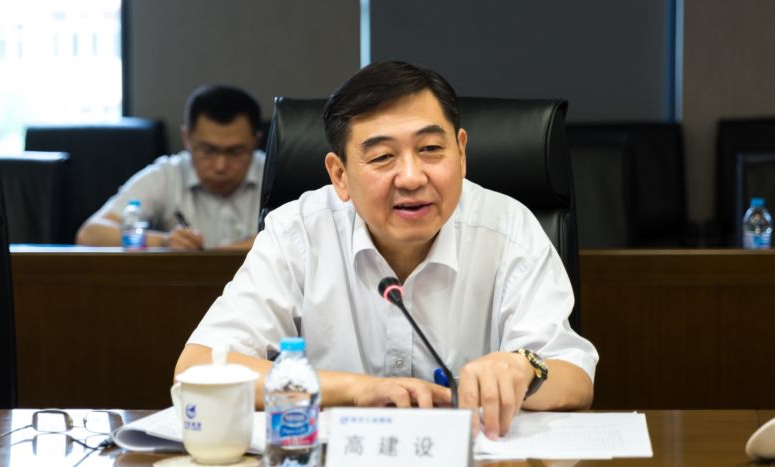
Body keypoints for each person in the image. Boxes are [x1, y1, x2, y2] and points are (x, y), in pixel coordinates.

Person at [176, 61, 598, 439]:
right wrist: (357, 389)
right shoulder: (297, 232)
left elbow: (575, 379)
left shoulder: (508, 228)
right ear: (339, 175)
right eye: (382, 157)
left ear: (461, 152)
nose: (412, 177)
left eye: (431, 149)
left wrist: (523, 369)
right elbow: (198, 366)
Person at [75, 85, 265, 250]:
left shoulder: (275, 175)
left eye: (236, 152)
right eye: (208, 150)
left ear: (256, 141)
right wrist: (164, 241)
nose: (220, 166)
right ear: (187, 138)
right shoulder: (166, 175)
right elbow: (90, 234)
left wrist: (216, 256)